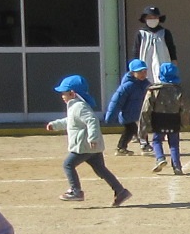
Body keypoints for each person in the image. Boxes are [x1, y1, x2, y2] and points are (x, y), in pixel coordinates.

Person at [47, 75, 131, 206]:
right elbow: (70, 121)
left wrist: (92, 138)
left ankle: (76, 191)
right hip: (90, 147)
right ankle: (120, 191)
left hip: (84, 146)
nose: (62, 96)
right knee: (101, 169)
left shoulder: (79, 106)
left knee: (68, 165)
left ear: (72, 93)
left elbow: (92, 120)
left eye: (64, 93)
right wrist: (55, 125)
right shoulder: (75, 106)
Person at [143, 62, 188, 174]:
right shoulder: (180, 90)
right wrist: (184, 122)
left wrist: (145, 124)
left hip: (158, 119)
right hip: (174, 119)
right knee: (174, 144)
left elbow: (146, 109)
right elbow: (185, 108)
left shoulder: (154, 90)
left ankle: (160, 158)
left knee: (157, 140)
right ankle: (177, 166)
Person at [104, 59, 150, 155]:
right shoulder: (127, 86)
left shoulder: (146, 84)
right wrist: (110, 116)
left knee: (142, 128)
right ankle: (121, 148)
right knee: (131, 130)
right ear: (132, 72)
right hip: (128, 114)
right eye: (139, 72)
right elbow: (116, 101)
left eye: (144, 71)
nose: (143, 74)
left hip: (140, 113)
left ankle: (144, 145)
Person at [135, 8, 176, 82]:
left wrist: (174, 61)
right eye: (150, 18)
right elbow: (136, 50)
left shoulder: (165, 32)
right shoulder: (141, 33)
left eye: (155, 17)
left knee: (162, 82)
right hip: (145, 62)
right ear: (145, 19)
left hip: (163, 62)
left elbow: (171, 48)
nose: (152, 19)